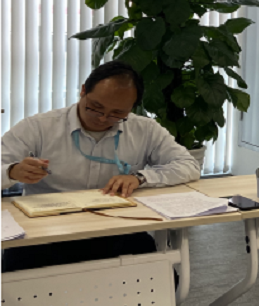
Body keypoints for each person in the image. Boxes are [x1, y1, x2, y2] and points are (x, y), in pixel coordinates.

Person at [2, 61, 201, 272]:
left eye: (117, 113)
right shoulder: (38, 127)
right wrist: (12, 171)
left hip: (116, 228)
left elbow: (189, 165)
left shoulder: (145, 129)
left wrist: (140, 178)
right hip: (45, 232)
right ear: (83, 91)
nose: (103, 118)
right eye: (95, 107)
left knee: (161, 281)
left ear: (131, 108)